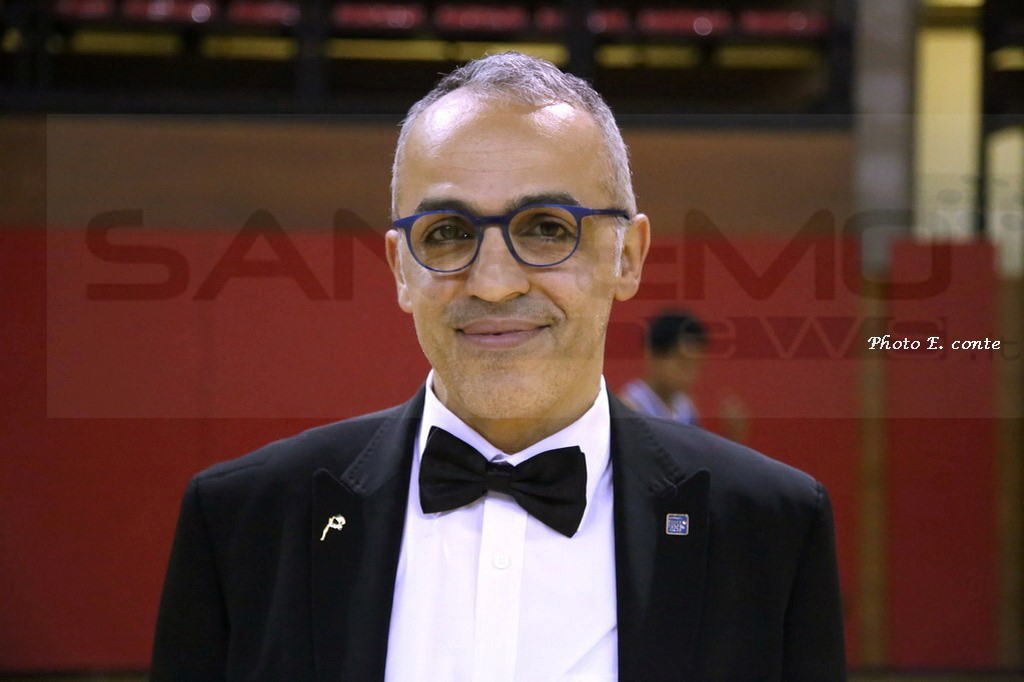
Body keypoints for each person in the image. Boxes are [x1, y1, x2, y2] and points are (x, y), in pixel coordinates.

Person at [151, 53, 846, 681]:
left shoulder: (770, 530)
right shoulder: (242, 522)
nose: (492, 283)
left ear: (628, 257)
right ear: (400, 268)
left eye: (546, 228)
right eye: (447, 233)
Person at [620, 310, 748, 442]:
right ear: (653, 354)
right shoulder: (629, 408)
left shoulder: (685, 408)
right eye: (683, 364)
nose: (690, 374)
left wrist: (732, 437)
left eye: (696, 365)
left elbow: (694, 454)